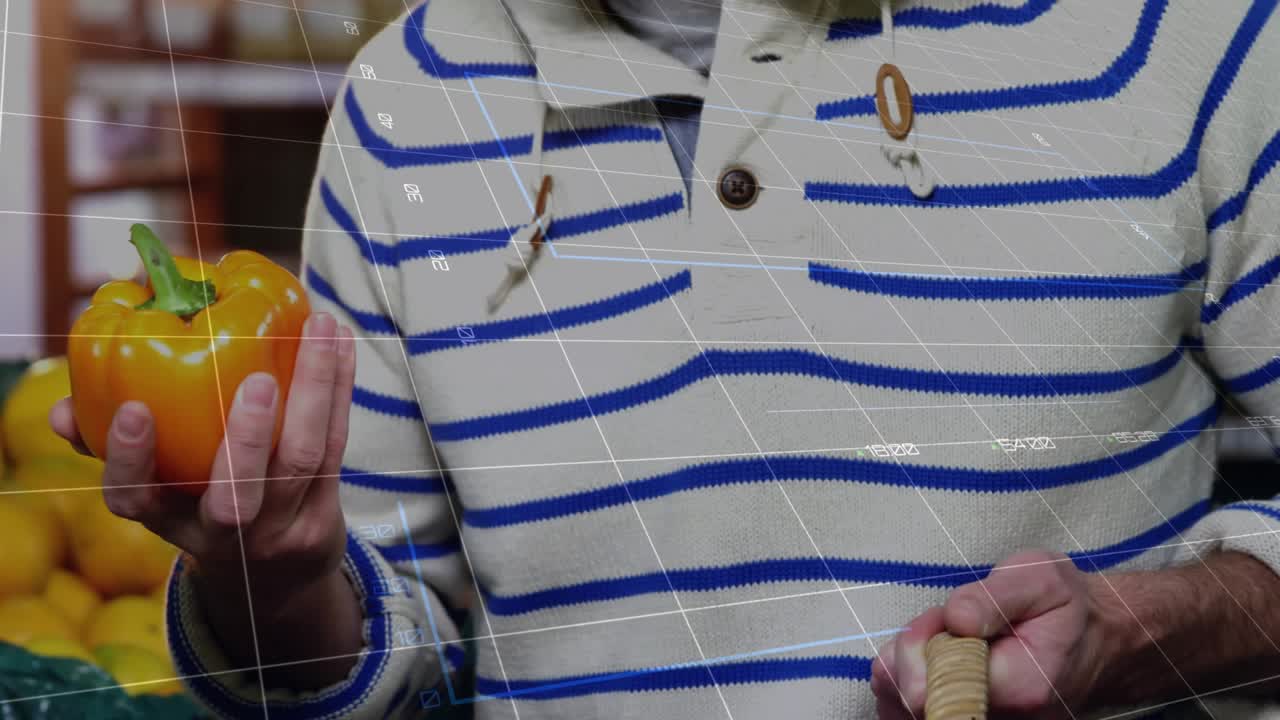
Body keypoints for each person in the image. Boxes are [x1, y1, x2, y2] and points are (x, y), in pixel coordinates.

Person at [49, 0, 1280, 718]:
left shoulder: (1187, 38)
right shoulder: (405, 101)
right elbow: (400, 669)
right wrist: (271, 584)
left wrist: (1143, 625)